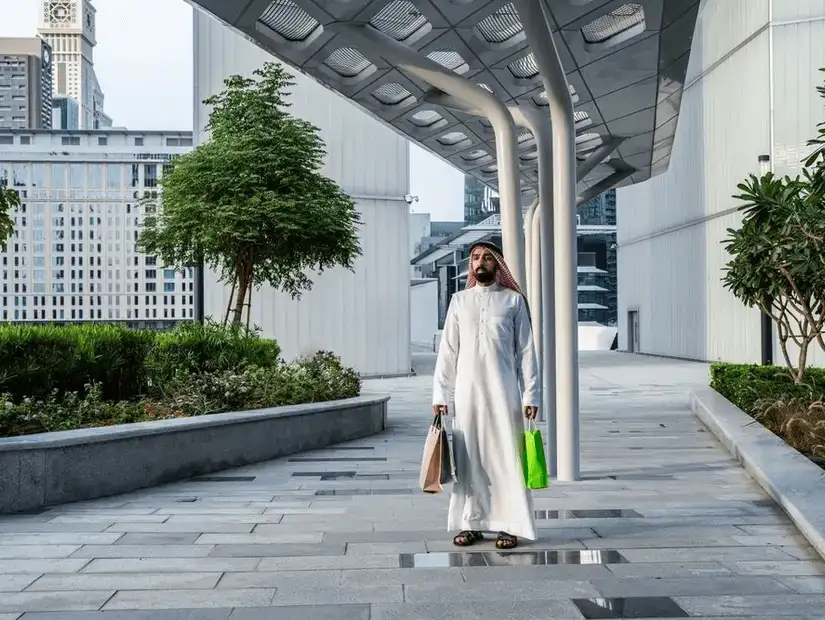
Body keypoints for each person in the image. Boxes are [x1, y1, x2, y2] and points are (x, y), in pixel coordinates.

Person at [432, 241, 540, 550]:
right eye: (476, 258)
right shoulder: (459, 301)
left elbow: (527, 353)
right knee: (471, 460)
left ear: (498, 265)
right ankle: (471, 523)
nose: (481, 262)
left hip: (504, 394)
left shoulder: (513, 302)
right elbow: (447, 353)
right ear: (471, 266)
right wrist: (441, 394)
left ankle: (510, 526)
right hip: (466, 396)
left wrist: (531, 396)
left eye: (487, 258)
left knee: (507, 458)